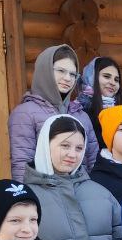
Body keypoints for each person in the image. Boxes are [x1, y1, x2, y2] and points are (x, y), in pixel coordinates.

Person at [9, 45, 99, 181]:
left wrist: (92, 191)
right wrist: (26, 195)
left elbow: (93, 162)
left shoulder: (81, 115)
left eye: (72, 74)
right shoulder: (25, 113)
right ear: (45, 71)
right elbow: (22, 165)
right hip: (43, 190)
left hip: (80, 189)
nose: (67, 78)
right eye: (61, 71)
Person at [78, 56, 122, 140]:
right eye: (106, 76)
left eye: (116, 80)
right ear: (92, 77)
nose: (113, 83)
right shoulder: (78, 110)